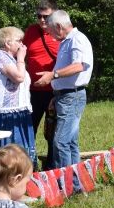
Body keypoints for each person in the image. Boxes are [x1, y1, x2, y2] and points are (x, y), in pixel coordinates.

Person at [33, 11, 93, 172]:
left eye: (51, 31)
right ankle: (75, 183)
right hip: (64, 95)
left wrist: (53, 75)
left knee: (60, 142)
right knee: (70, 142)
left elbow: (79, 65)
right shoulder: (66, 41)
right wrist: (56, 93)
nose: (50, 35)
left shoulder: (77, 39)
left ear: (59, 26)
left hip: (72, 96)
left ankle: (64, 184)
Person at [0, 27, 36, 166]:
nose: (22, 45)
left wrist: (19, 60)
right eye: (19, 41)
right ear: (7, 43)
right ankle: (4, 180)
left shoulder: (13, 60)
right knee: (6, 154)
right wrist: (21, 58)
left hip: (19, 111)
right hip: (4, 114)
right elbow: (18, 77)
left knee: (19, 152)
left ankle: (21, 178)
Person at [22, 0, 59, 169]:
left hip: (55, 90)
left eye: (46, 16)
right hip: (33, 91)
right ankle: (28, 165)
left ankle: (51, 167)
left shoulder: (61, 33)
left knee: (53, 131)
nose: (42, 20)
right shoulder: (30, 31)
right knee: (29, 129)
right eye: (39, 16)